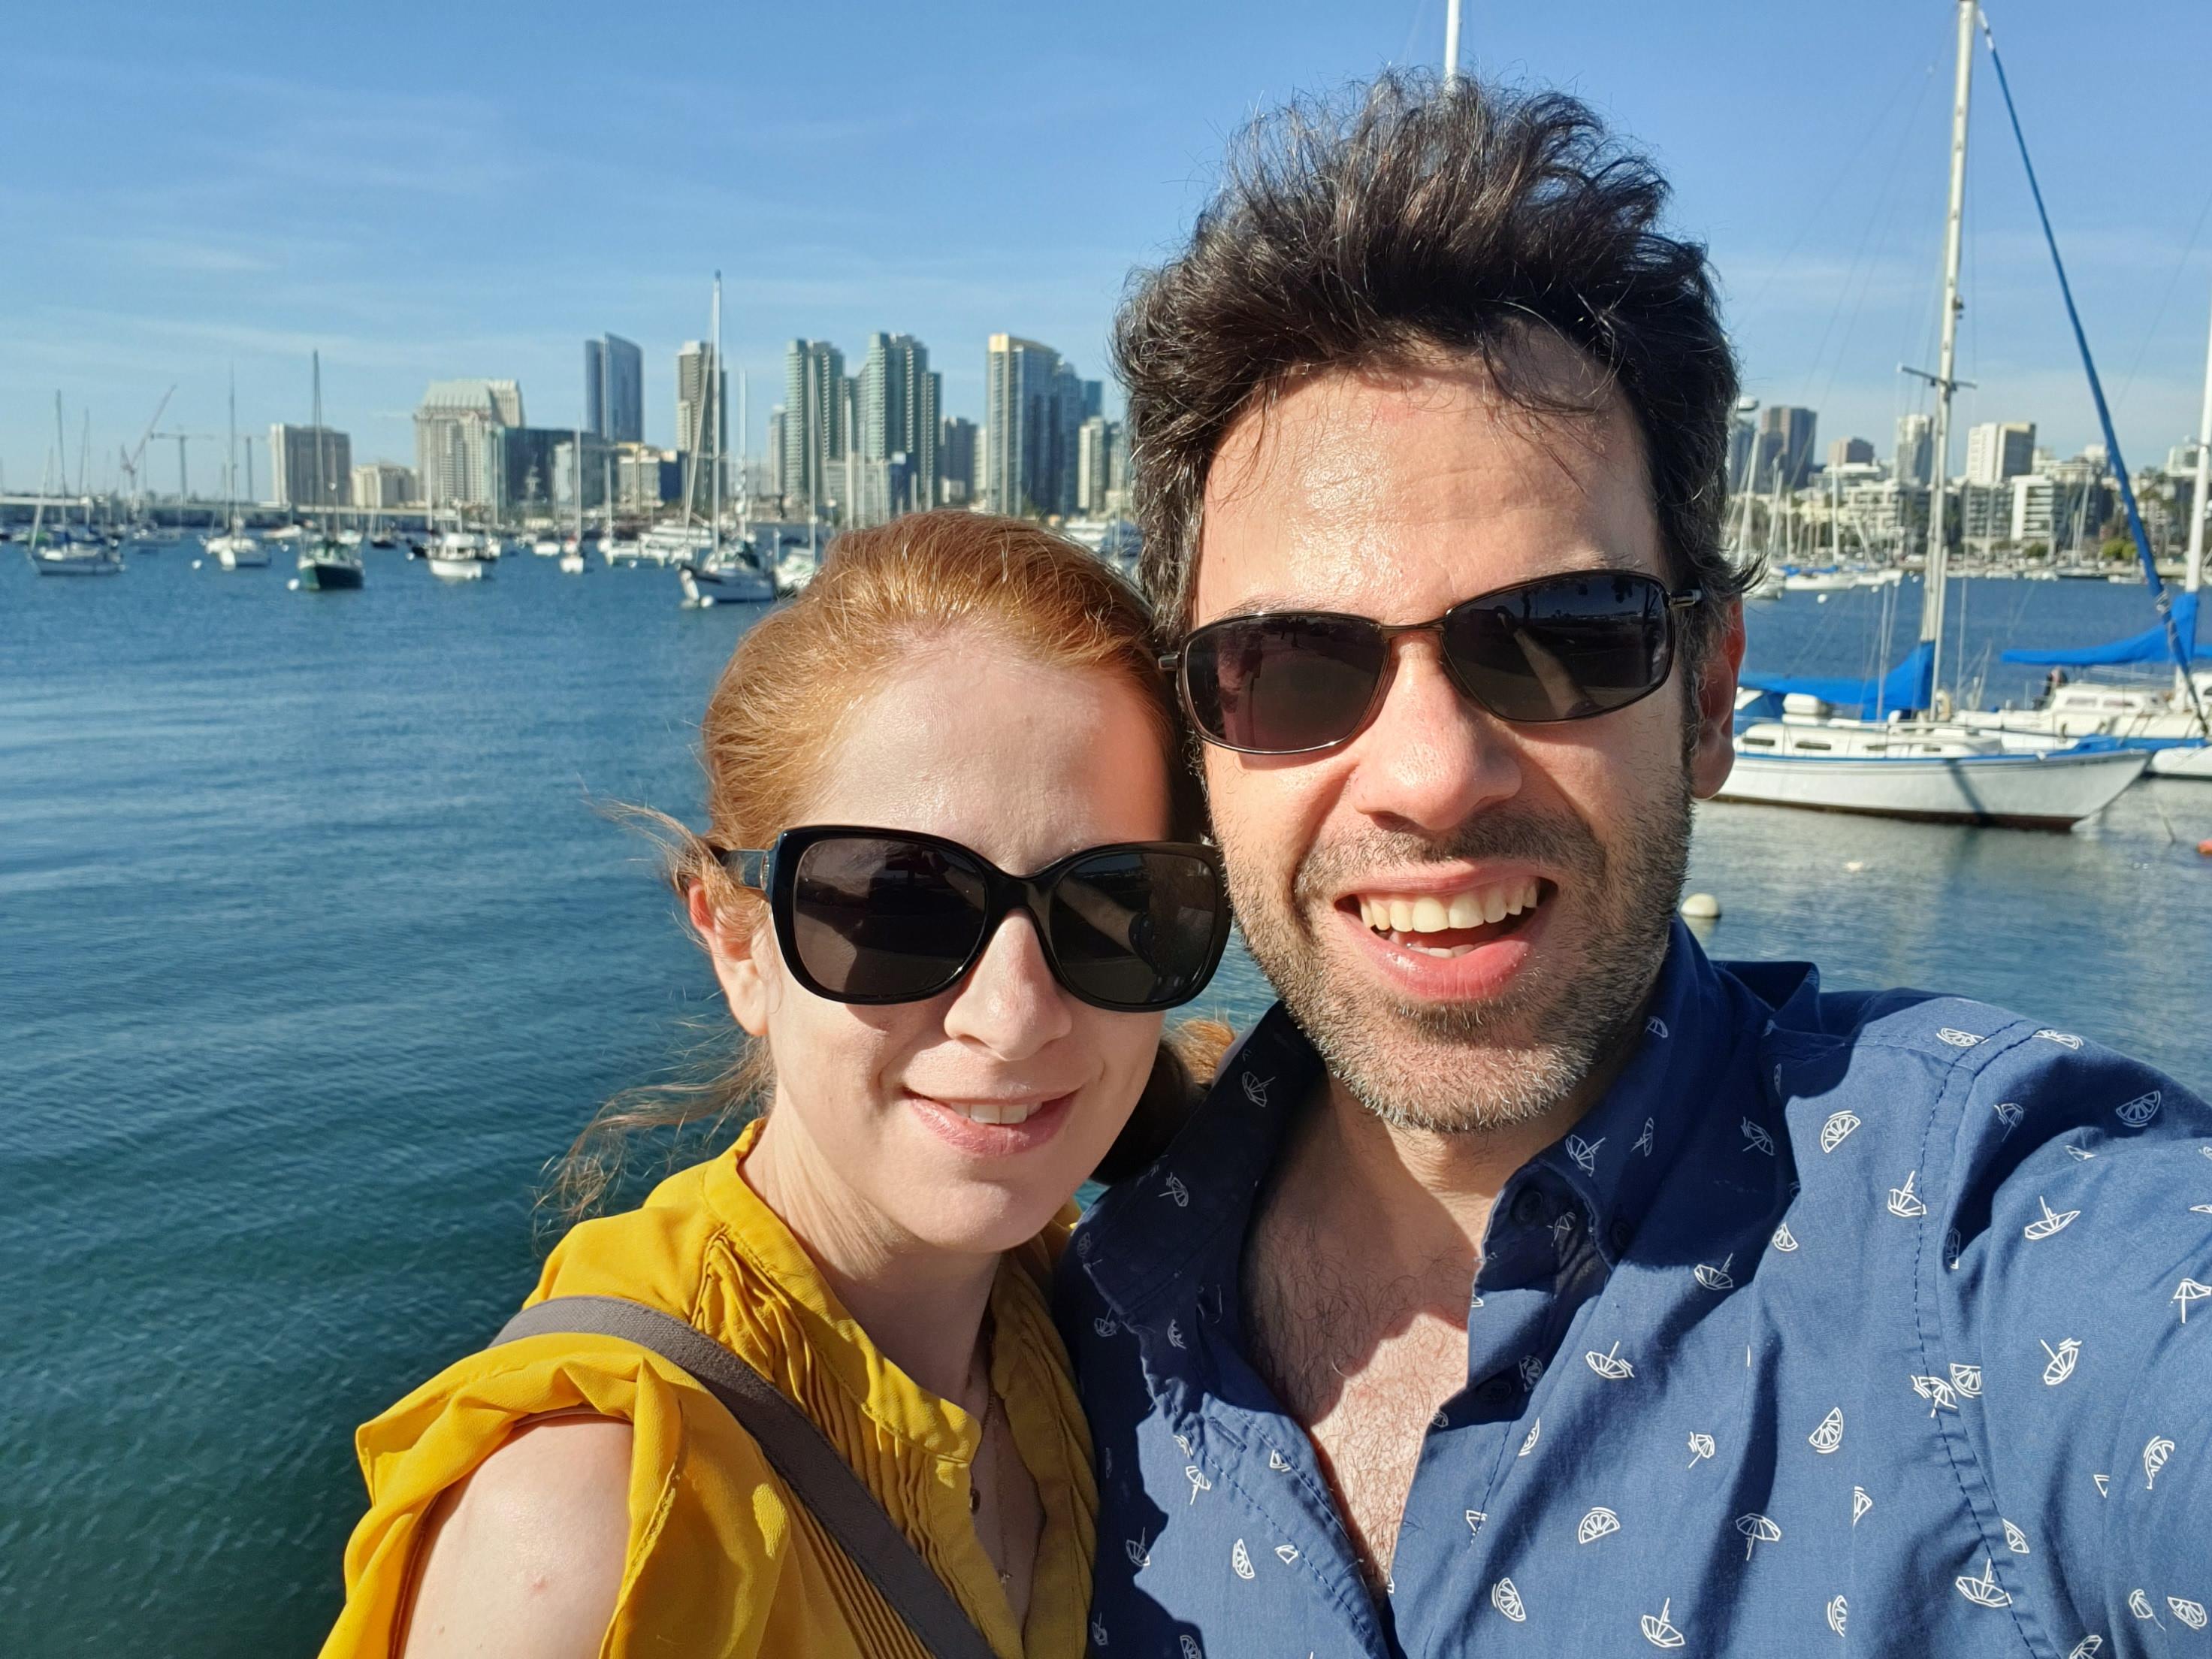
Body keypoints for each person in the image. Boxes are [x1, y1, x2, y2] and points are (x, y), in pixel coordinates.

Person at [1059, 72, 2211, 1657]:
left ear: (1711, 691)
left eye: (1559, 638)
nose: (1428, 775)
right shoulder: (1060, 1331)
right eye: (1295, 665)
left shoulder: (1983, 1243)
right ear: (1203, 737)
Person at [319, 512, 1231, 1659]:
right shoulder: (587, 1529)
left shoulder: (1081, 1320)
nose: (1013, 1016)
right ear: (737, 943)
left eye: (1117, 907)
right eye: (900, 902)